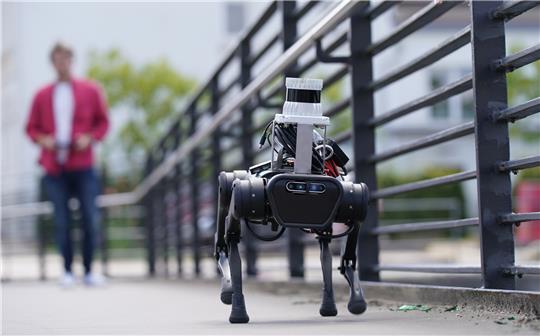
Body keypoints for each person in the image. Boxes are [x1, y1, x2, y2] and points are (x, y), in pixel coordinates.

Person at [25, 42, 109, 287]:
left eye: (66, 59)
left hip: (83, 165)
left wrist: (89, 138)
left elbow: (102, 123)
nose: (62, 63)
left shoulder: (90, 90)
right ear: (53, 62)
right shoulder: (41, 95)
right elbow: (31, 128)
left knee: (89, 218)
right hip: (54, 166)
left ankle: (89, 271)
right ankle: (67, 271)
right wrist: (43, 140)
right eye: (57, 59)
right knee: (61, 220)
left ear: (72, 60)